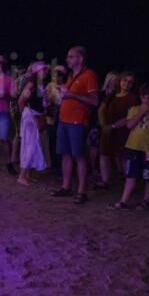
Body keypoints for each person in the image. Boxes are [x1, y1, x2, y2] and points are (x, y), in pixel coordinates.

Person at [50, 46, 98, 204]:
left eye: (71, 56)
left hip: (77, 121)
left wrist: (71, 95)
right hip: (64, 120)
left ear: (80, 58)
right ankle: (66, 187)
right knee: (65, 154)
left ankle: (82, 192)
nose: (67, 59)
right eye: (68, 56)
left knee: (79, 155)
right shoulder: (71, 75)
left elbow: (94, 101)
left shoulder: (89, 75)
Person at [108, 84, 149, 210]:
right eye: (144, 97)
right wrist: (141, 112)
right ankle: (123, 201)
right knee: (131, 175)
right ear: (140, 98)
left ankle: (146, 201)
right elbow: (129, 125)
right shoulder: (134, 110)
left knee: (148, 176)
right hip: (133, 148)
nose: (147, 100)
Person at [95, 71, 138, 189]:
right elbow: (101, 109)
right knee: (104, 154)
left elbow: (131, 116)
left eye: (130, 82)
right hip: (108, 130)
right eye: (125, 80)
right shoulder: (112, 95)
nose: (127, 84)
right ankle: (105, 181)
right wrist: (104, 125)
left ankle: (128, 183)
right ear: (120, 81)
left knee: (123, 156)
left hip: (124, 131)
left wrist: (115, 126)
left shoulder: (133, 98)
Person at [17, 61, 49, 185]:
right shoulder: (32, 84)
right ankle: (22, 176)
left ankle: (27, 175)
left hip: (36, 115)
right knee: (30, 145)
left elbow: (41, 104)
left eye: (46, 70)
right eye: (43, 69)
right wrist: (27, 115)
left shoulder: (40, 85)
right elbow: (21, 101)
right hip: (30, 116)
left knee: (33, 144)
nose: (46, 72)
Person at [46, 65, 67, 175]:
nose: (57, 78)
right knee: (52, 141)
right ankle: (54, 166)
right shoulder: (50, 86)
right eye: (55, 75)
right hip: (51, 118)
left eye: (59, 76)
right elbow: (45, 99)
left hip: (62, 117)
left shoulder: (66, 87)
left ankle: (61, 166)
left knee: (61, 142)